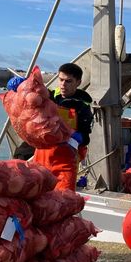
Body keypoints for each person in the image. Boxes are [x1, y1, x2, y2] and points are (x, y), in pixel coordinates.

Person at [33, 63, 93, 191]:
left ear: (78, 82)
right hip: (42, 156)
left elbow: (85, 137)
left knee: (64, 198)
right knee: (37, 197)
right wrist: (19, 86)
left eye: (68, 81)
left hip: (66, 160)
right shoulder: (49, 97)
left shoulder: (83, 106)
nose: (63, 84)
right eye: (61, 80)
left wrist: (73, 136)